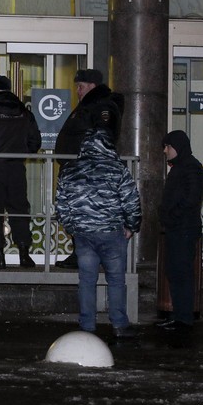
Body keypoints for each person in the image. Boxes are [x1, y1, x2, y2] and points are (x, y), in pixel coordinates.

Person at [56, 128, 141, 338]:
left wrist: (72, 228)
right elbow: (131, 201)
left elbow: (61, 205)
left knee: (86, 280)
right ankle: (119, 325)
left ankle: (87, 326)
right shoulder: (117, 169)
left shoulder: (70, 170)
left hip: (83, 234)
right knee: (115, 280)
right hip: (112, 232)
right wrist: (131, 226)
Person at [54, 68, 125, 269]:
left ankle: (84, 255)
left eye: (81, 87)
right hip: (77, 170)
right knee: (74, 213)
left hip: (85, 171)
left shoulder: (102, 106)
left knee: (82, 213)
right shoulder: (88, 105)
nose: (77, 91)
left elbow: (103, 137)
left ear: (92, 86)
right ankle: (79, 253)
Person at [0, 75, 42, 269]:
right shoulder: (23, 110)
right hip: (16, 168)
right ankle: (24, 253)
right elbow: (35, 141)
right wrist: (20, 155)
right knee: (19, 210)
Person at [156, 130, 203, 333]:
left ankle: (183, 318)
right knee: (175, 272)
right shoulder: (182, 168)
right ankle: (179, 316)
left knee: (181, 273)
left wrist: (171, 215)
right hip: (176, 229)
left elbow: (190, 200)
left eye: (167, 147)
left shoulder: (191, 168)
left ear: (176, 146)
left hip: (183, 229)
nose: (165, 151)